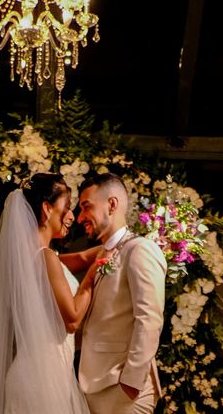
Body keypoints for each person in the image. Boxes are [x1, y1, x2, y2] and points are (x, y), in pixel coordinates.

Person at [0, 173, 99, 414]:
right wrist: (93, 276)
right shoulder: (46, 257)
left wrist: (108, 249)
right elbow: (72, 320)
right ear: (47, 208)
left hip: (29, 374)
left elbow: (72, 261)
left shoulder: (29, 258)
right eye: (67, 206)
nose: (72, 216)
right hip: (44, 379)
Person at [75, 172, 167, 414]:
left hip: (123, 389)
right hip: (94, 383)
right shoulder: (101, 253)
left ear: (112, 204)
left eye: (86, 207)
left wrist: (131, 382)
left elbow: (150, 319)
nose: (80, 217)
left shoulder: (140, 249)